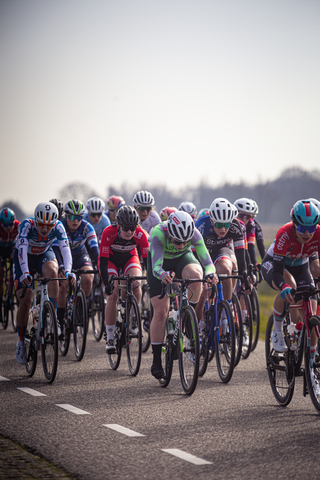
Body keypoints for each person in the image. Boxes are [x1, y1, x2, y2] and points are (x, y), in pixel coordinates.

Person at [147, 210, 218, 379]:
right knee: (161, 311)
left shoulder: (194, 233)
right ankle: (156, 360)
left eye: (185, 241)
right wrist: (163, 275)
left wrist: (210, 274)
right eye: (177, 241)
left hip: (182, 259)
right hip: (160, 263)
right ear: (170, 233)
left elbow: (208, 263)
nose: (180, 244)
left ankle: (188, 316)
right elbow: (157, 267)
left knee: (196, 276)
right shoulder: (158, 233)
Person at [261, 199, 320, 393]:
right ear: (294, 223)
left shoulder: (317, 233)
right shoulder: (284, 234)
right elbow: (277, 272)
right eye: (302, 227)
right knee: (290, 288)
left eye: (311, 227)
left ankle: (311, 365)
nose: (307, 233)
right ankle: (277, 330)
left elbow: (316, 267)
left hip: (301, 266)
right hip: (277, 266)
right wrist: (283, 286)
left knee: (310, 307)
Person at [13, 202, 73, 365]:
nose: (45, 229)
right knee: (24, 302)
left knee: (54, 274)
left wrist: (67, 272)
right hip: (24, 258)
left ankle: (53, 318)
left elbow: (66, 250)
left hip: (43, 254)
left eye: (49, 225)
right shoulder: (26, 226)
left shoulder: (59, 227)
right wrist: (25, 272)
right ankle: (20, 342)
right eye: (41, 225)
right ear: (35, 220)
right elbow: (22, 251)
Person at [195, 198, 250, 345]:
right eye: (219, 224)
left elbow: (241, 253)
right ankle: (196, 329)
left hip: (221, 251)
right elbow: (194, 257)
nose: (223, 229)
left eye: (226, 224)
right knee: (202, 291)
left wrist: (244, 276)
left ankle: (226, 312)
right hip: (202, 254)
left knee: (227, 269)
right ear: (212, 221)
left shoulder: (236, 226)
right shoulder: (201, 226)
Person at [99, 205, 149, 353]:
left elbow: (146, 260)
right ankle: (109, 337)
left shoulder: (140, 234)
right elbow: (102, 261)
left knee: (135, 282)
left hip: (129, 258)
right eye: (126, 228)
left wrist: (150, 279)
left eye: (132, 228)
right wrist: (106, 283)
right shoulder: (108, 233)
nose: (129, 232)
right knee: (113, 292)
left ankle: (133, 318)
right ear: (119, 225)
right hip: (111, 261)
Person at [57, 200, 99, 331]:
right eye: (72, 217)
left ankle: (80, 307)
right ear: (65, 216)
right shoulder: (59, 226)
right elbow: (55, 249)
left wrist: (98, 266)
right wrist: (60, 266)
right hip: (62, 257)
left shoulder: (87, 227)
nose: (75, 221)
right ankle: (60, 319)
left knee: (88, 278)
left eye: (79, 217)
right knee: (63, 286)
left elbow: (94, 249)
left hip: (80, 255)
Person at [0, 208, 20, 323]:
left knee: (15, 268)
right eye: (5, 225)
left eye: (11, 224)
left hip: (11, 248)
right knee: (1, 274)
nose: (8, 227)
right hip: (1, 250)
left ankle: (14, 287)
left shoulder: (19, 226)